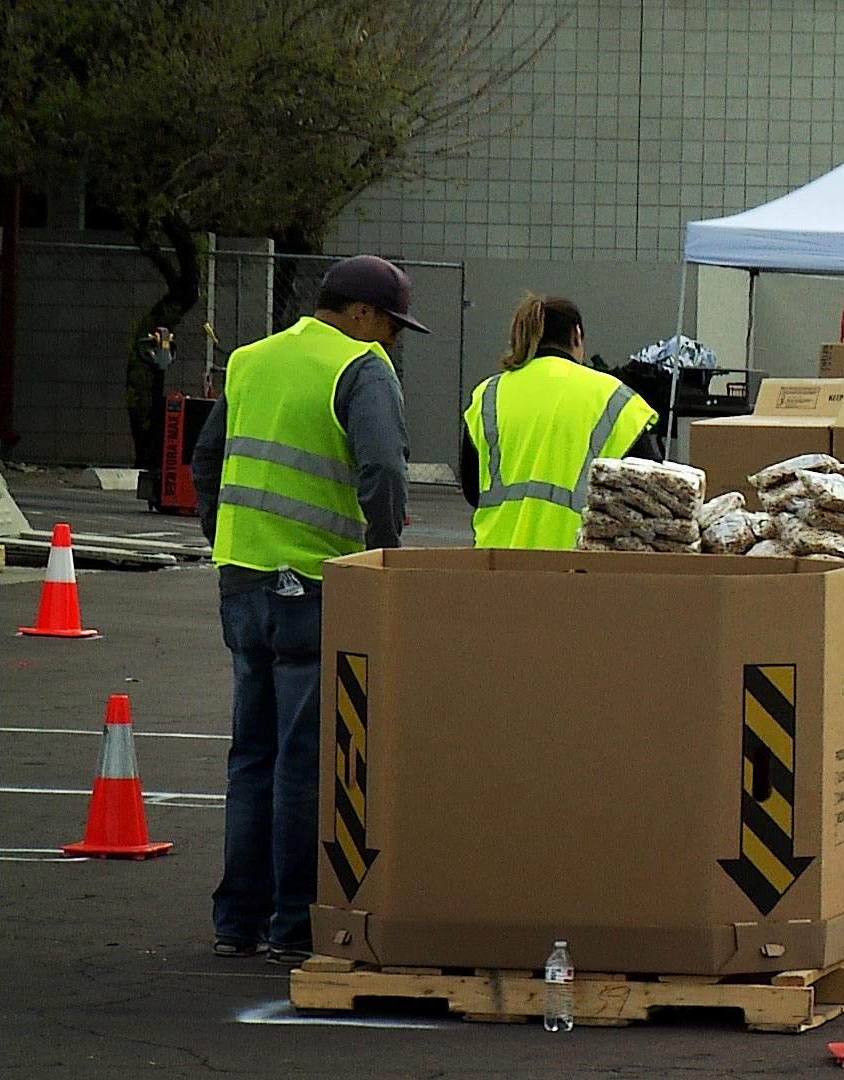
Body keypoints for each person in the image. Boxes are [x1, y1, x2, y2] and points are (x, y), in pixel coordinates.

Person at [189, 254, 423, 964]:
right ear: (359, 313)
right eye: (387, 323)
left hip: (244, 577)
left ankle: (238, 920)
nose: (389, 339)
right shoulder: (361, 368)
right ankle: (295, 923)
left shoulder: (251, 361)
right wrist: (382, 559)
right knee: (303, 762)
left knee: (250, 755)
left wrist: (226, 536)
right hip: (314, 585)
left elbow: (206, 460)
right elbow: (382, 469)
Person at [459, 295, 659, 549]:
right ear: (576, 335)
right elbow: (651, 495)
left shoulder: (489, 394)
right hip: (578, 565)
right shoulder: (614, 398)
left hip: (498, 561)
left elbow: (471, 488)